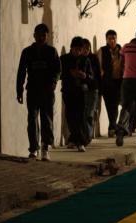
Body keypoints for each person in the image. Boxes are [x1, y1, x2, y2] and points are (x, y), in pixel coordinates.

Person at [16, 23, 61, 161]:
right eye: (39, 35)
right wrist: (19, 90)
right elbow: (21, 72)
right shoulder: (27, 52)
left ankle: (45, 147)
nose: (41, 37)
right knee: (32, 119)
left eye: (44, 35)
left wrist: (54, 81)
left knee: (47, 119)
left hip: (47, 90)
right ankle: (34, 148)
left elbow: (58, 70)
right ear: (34, 35)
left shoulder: (52, 51)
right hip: (33, 90)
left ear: (47, 36)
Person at [61, 36, 94, 152]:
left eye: (80, 50)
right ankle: (75, 139)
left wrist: (84, 76)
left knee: (80, 117)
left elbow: (91, 77)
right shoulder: (64, 59)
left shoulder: (86, 60)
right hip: (68, 91)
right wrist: (70, 73)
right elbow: (60, 74)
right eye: (76, 49)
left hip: (81, 92)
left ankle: (79, 142)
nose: (78, 52)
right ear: (71, 48)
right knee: (70, 116)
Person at [97, 30, 123, 137]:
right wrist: (102, 75)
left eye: (114, 38)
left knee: (115, 105)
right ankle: (112, 127)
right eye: (110, 38)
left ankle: (112, 127)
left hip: (118, 81)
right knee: (109, 106)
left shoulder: (121, 50)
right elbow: (99, 66)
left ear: (116, 38)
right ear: (106, 39)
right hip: (107, 82)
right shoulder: (102, 50)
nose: (112, 40)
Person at [82, 38, 100, 148]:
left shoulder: (93, 58)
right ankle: (85, 136)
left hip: (93, 89)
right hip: (82, 90)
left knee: (89, 113)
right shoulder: (79, 59)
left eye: (88, 48)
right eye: (84, 48)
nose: (86, 50)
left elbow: (97, 75)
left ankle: (88, 136)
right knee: (83, 114)